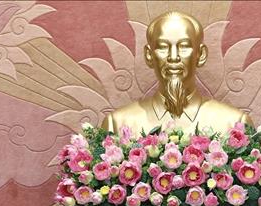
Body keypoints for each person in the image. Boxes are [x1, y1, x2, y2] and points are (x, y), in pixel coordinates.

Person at [102, 11, 252, 134]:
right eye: (162, 47)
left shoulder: (235, 125)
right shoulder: (117, 125)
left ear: (201, 55)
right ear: (149, 55)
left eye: (184, 46)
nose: (173, 57)